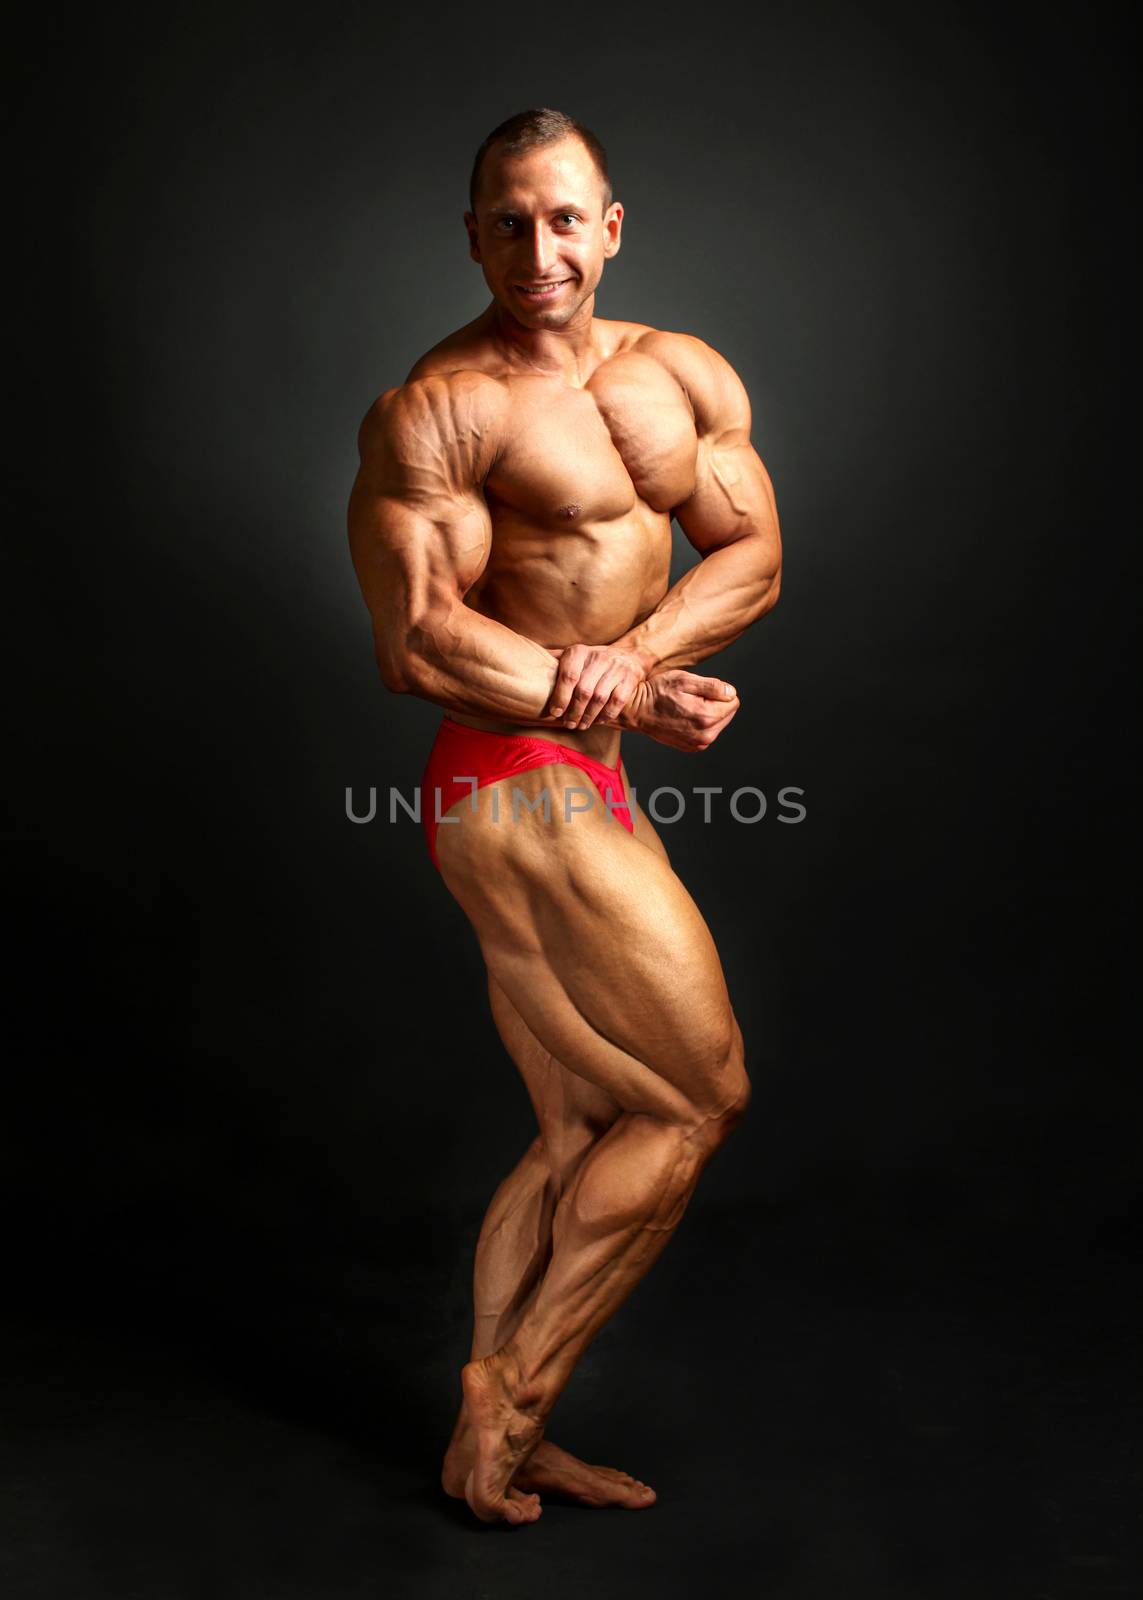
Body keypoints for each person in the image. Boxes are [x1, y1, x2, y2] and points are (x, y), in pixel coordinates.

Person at [347, 107, 782, 1526]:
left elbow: (753, 550)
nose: (539, 249)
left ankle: (499, 1430)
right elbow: (417, 639)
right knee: (702, 1099)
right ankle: (513, 1394)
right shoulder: (440, 407)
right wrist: (620, 698)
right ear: (470, 235)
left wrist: (645, 657)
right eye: (507, 222)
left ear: (610, 223)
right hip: (506, 782)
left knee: (584, 1125)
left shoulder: (679, 372)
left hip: (583, 774)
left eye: (563, 218)